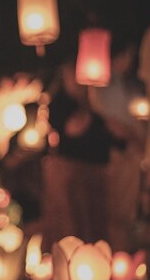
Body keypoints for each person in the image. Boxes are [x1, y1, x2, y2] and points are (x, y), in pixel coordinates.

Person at [40, 59, 121, 251]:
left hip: (97, 174)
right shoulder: (59, 104)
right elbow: (74, 128)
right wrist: (86, 104)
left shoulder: (99, 101)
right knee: (73, 226)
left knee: (97, 224)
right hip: (70, 176)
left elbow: (115, 136)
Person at [88, 37, 146, 251]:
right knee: (120, 211)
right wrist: (136, 139)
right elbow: (113, 123)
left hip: (134, 149)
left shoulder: (121, 83)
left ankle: (127, 258)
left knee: (131, 208)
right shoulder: (103, 84)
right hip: (123, 151)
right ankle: (120, 258)